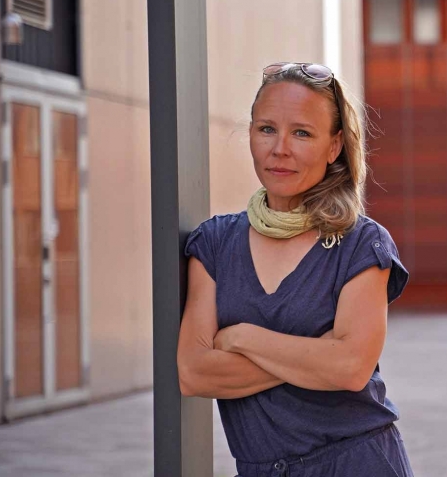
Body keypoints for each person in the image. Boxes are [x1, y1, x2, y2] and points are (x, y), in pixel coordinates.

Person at [177, 62, 413, 477]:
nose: (280, 148)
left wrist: (241, 338)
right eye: (267, 129)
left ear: (334, 146)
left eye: (302, 133)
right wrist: (316, 356)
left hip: (357, 464)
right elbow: (194, 373)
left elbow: (351, 368)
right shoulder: (214, 243)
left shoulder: (361, 244)